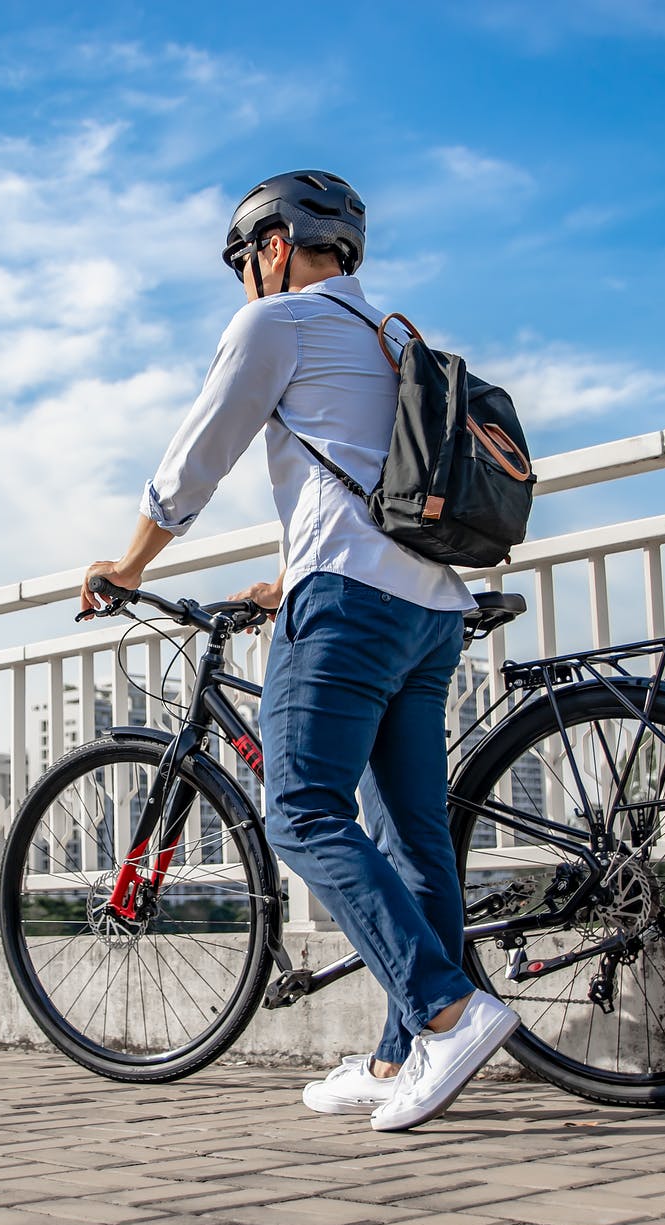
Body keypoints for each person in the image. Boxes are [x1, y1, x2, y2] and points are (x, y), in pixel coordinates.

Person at [79, 170, 519, 1132]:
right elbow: (369, 473)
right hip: (428, 609)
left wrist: (128, 561)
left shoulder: (274, 324)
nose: (243, 280)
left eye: (245, 261)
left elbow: (196, 458)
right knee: (410, 834)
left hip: (352, 606)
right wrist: (286, 577)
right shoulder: (387, 334)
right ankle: (404, 1049)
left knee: (300, 812)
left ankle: (447, 1011)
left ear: (274, 247)